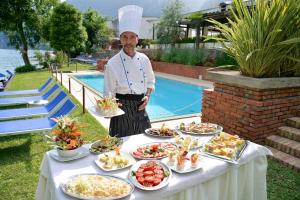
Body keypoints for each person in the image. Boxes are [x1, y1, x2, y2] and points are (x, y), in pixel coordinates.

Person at [104, 5, 155, 137]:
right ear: (120, 39)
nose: (128, 41)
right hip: (121, 109)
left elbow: (150, 82)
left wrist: (147, 97)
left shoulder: (144, 59)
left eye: (132, 37)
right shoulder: (112, 63)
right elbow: (108, 91)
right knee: (121, 149)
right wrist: (110, 107)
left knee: (146, 145)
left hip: (140, 107)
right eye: (125, 37)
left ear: (137, 39)